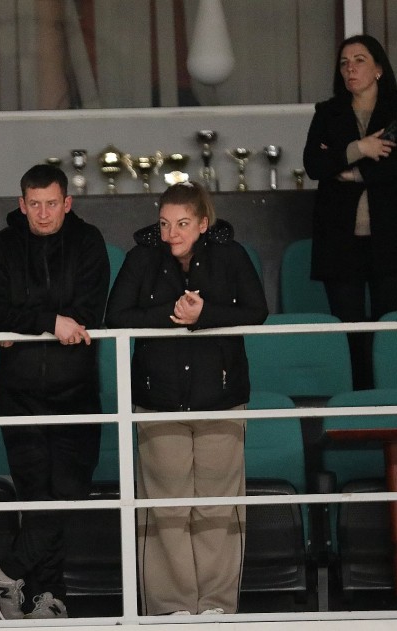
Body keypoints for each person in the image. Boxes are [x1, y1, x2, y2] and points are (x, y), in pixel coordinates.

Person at [105, 181, 267, 616]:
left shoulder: (231, 255)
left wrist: (205, 314)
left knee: (218, 508)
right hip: (158, 401)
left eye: (181, 224)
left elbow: (257, 311)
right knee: (165, 510)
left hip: (221, 399)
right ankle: (171, 609)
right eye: (164, 224)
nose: (171, 233)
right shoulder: (142, 257)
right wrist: (176, 314)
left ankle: (216, 608)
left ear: (202, 223)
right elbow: (115, 316)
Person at [0, 164, 109, 620]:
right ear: (22, 204)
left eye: (52, 203)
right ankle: (49, 598)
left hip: (76, 390)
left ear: (67, 203)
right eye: (34, 204)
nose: (43, 213)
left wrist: (24, 321)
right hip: (19, 391)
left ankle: (6, 573)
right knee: (37, 495)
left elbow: (89, 310)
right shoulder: (3, 244)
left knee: (69, 491)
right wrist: (51, 321)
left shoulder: (88, 241)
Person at [303, 34, 397, 388]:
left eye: (359, 60)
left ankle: (393, 395)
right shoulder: (328, 112)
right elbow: (315, 164)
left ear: (378, 68)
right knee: (348, 326)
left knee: (391, 324)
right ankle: (357, 396)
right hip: (341, 238)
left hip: (393, 234)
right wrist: (359, 148)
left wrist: (353, 172)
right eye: (344, 63)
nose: (350, 68)